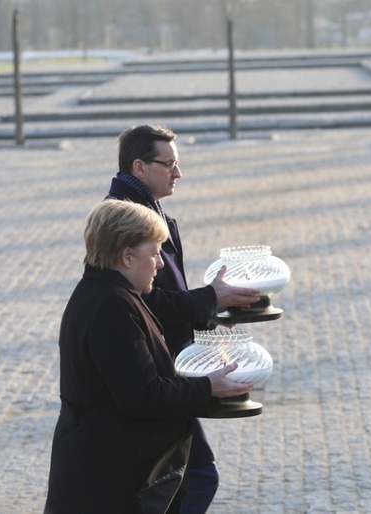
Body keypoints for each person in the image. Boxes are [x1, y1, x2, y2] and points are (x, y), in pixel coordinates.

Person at [44, 199, 252, 514]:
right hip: (107, 481)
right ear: (126, 256)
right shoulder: (112, 306)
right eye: (154, 253)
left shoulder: (109, 294)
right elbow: (142, 395)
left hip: (103, 470)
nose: (161, 264)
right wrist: (207, 387)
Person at [106, 124, 260, 513]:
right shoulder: (124, 222)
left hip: (170, 369)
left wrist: (214, 310)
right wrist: (209, 298)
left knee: (183, 481)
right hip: (155, 373)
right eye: (169, 164)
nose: (178, 173)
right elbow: (142, 301)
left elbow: (168, 296)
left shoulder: (152, 213)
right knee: (195, 479)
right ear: (139, 167)